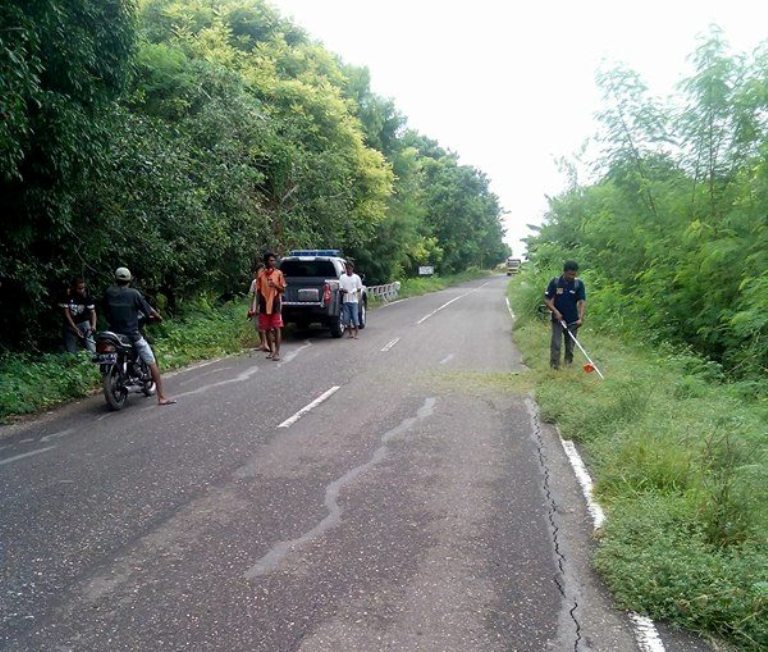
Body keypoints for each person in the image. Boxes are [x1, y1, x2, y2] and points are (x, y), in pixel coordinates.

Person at [103, 267, 175, 406]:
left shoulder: (109, 292)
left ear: (116, 279)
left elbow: (105, 309)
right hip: (131, 334)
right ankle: (161, 397)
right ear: (129, 280)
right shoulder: (134, 294)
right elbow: (148, 310)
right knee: (151, 361)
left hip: (113, 334)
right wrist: (158, 317)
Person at [544, 260, 586, 369]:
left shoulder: (578, 284)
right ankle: (554, 366)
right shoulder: (555, 282)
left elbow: (582, 302)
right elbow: (547, 300)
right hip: (558, 320)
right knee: (556, 343)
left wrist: (580, 318)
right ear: (564, 272)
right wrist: (556, 312)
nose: (572, 276)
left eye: (574, 274)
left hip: (572, 320)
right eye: (570, 274)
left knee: (570, 345)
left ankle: (568, 364)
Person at [255, 252, 286, 361]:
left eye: (274, 260)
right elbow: (258, 292)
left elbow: (283, 289)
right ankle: (271, 351)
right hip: (264, 304)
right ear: (266, 262)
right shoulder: (260, 275)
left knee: (277, 327)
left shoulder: (278, 273)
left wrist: (275, 285)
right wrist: (255, 307)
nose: (273, 262)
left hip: (275, 303)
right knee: (267, 329)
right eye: (271, 260)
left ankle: (277, 352)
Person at [60, 278, 97, 354]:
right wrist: (74, 327)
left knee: (91, 348)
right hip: (70, 324)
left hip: (83, 322)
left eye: (83, 288)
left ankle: (93, 361)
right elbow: (66, 313)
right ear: (74, 288)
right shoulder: (68, 296)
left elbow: (93, 312)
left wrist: (93, 325)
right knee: (71, 352)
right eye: (79, 288)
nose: (82, 290)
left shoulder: (87, 296)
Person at [339, 261, 363, 339]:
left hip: (354, 300)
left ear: (352, 268)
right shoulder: (342, 277)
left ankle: (356, 333)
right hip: (346, 300)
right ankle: (350, 333)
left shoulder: (356, 277)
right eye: (347, 268)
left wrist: (355, 290)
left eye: (350, 268)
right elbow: (340, 288)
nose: (348, 270)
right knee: (346, 318)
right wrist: (344, 290)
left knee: (355, 317)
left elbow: (359, 287)